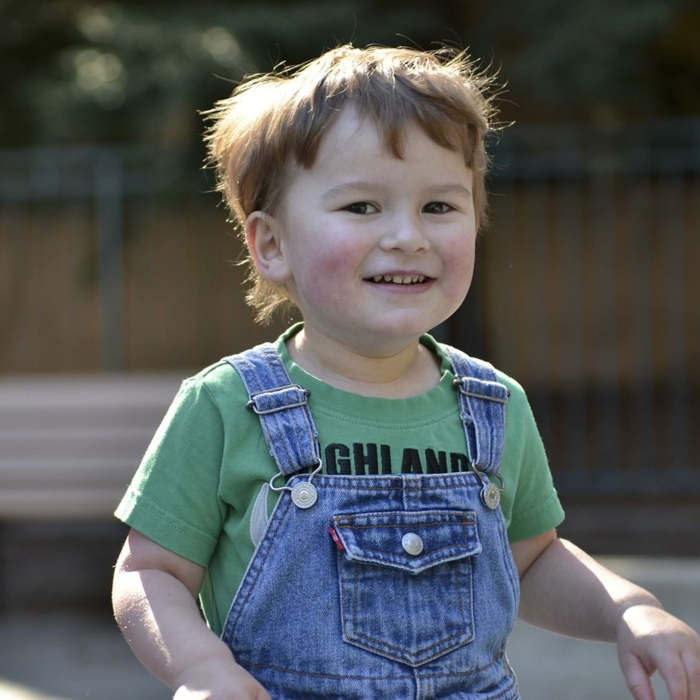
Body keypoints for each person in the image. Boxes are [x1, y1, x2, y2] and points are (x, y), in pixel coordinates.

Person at [111, 45, 700, 700]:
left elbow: (532, 559)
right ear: (271, 245)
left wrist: (629, 610)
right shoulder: (227, 404)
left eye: (439, 207)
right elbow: (149, 572)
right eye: (363, 207)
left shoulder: (493, 405)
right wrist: (200, 667)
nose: (407, 237)